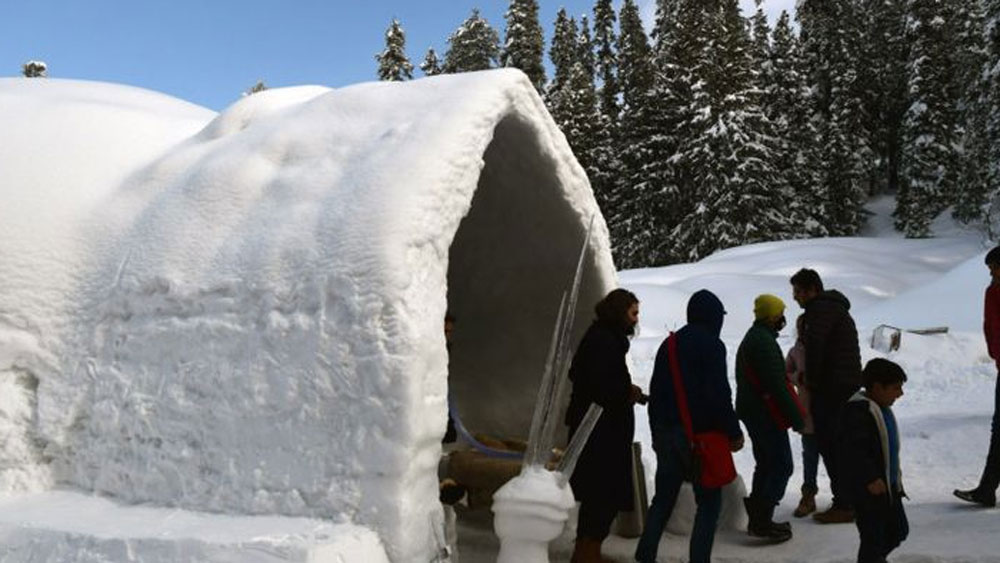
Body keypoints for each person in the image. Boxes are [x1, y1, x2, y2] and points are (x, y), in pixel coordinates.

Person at [634, 289, 744, 563]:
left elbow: (657, 394)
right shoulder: (712, 346)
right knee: (708, 503)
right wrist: (733, 432)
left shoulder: (668, 344)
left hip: (666, 434)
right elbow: (719, 395)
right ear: (713, 317)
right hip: (699, 438)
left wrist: (658, 434)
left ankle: (645, 555)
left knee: (663, 499)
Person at [565, 288, 646, 563]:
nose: (636, 319)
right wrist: (627, 392)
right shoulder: (604, 341)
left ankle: (587, 552)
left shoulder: (604, 337)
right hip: (601, 437)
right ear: (619, 312)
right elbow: (602, 387)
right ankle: (587, 554)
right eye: (633, 313)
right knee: (602, 497)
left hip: (599, 434)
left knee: (597, 497)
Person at [790, 268, 862, 523]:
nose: (795, 297)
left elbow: (816, 347)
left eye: (798, 291)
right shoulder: (834, 308)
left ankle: (844, 503)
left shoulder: (820, 310)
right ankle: (848, 499)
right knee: (837, 444)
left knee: (832, 446)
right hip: (844, 385)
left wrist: (811, 380)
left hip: (833, 389)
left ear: (812, 290)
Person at [736, 295, 804, 542]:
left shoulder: (756, 337)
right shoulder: (762, 342)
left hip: (754, 411)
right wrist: (798, 418)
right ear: (772, 316)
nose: (783, 318)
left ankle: (758, 518)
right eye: (780, 313)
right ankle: (762, 520)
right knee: (781, 464)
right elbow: (777, 385)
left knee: (765, 463)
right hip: (764, 413)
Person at [841, 358, 909, 563]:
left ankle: (875, 558)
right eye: (896, 388)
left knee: (899, 530)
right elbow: (854, 449)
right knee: (873, 537)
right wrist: (870, 477)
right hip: (868, 492)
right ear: (878, 387)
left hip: (888, 488)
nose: (900, 394)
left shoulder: (881, 408)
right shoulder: (858, 411)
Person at [954, 246, 1000, 507]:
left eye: (994, 267)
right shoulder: (992, 291)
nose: (991, 272)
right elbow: (990, 326)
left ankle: (986, 489)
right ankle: (986, 489)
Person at [786, 314, 820, 517]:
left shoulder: (827, 347)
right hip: (807, 413)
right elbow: (785, 372)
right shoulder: (795, 351)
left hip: (828, 412)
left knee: (835, 456)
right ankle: (808, 495)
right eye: (801, 327)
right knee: (810, 457)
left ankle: (843, 498)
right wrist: (798, 377)